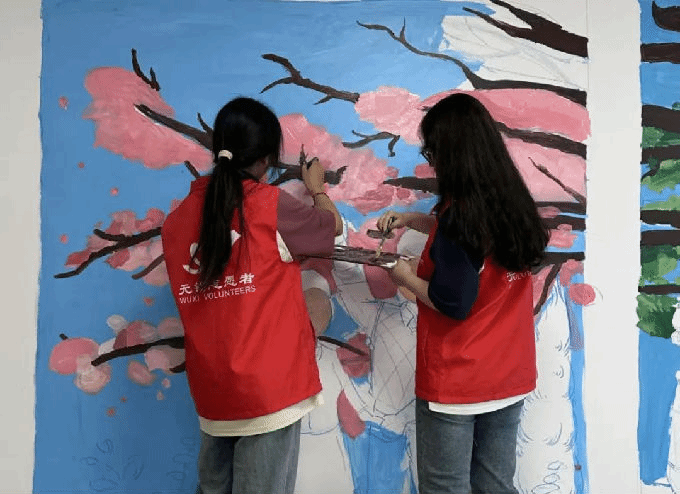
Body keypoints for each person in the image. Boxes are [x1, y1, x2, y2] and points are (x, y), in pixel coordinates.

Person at [161, 97, 343, 494]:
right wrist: (316, 189)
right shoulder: (270, 206)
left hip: (213, 390)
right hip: (269, 390)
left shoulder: (176, 221)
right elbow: (332, 228)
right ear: (265, 160)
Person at [377, 93, 549, 494]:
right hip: (508, 375)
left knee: (445, 486)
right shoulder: (508, 202)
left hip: (458, 380)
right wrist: (412, 219)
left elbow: (453, 302)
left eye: (432, 152)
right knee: (495, 486)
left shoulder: (460, 218)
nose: (431, 162)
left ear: (451, 154)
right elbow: (472, 245)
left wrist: (402, 275)